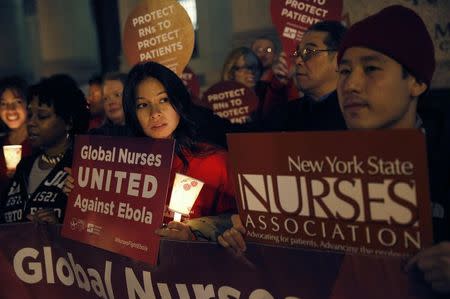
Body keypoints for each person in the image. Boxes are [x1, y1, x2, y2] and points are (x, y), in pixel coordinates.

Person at [334, 5, 450, 294]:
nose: (351, 84)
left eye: (371, 68)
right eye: (344, 71)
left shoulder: (444, 163)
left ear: (417, 82)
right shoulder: (318, 167)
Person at [65, 62, 237, 241]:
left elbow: (240, 231)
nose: (155, 113)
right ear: (133, 112)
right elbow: (106, 230)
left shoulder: (215, 162)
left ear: (179, 101)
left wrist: (195, 237)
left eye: (164, 100)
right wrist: (84, 192)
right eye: (143, 105)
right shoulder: (120, 165)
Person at [0, 74, 90, 224]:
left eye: (42, 116)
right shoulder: (24, 167)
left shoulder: (81, 169)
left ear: (68, 121)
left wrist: (58, 228)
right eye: (30, 115)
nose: (31, 123)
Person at [264, 20, 347, 131]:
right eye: (297, 52)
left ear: (338, 60)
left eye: (309, 51)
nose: (298, 60)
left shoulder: (355, 114)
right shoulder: (288, 114)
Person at [0, 77, 32, 194]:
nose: (10, 109)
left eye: (17, 102)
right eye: (4, 103)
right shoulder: (2, 142)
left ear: (28, 105)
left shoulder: (39, 143)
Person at [88, 72, 133, 136]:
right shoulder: (95, 136)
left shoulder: (146, 135)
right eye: (105, 98)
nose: (110, 102)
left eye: (117, 95)